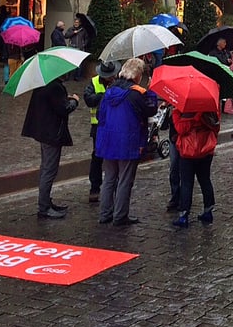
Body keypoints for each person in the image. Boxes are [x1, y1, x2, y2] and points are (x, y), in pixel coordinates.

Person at [96, 58, 157, 227]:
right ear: (137, 75)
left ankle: (105, 213)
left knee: (109, 178)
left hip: (108, 141)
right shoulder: (136, 94)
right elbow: (151, 109)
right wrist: (151, 90)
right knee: (124, 179)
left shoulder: (109, 91)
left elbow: (100, 116)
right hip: (128, 142)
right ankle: (120, 215)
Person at [21, 76, 80, 219]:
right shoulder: (54, 87)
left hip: (43, 132)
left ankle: (46, 202)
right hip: (51, 133)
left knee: (46, 168)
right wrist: (74, 101)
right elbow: (63, 108)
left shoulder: (43, 85)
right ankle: (44, 206)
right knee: (49, 170)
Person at [171, 108, 221, 227]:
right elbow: (216, 128)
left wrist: (191, 118)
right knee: (205, 180)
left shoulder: (180, 111)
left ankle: (184, 215)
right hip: (205, 148)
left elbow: (180, 129)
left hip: (188, 151)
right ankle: (208, 211)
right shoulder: (210, 110)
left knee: (187, 183)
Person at [83, 60, 120, 203]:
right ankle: (95, 187)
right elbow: (88, 99)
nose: (111, 77)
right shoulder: (94, 82)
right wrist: (104, 96)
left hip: (114, 125)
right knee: (97, 158)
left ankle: (114, 186)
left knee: (115, 157)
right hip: (98, 127)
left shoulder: (118, 82)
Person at [65, 16, 91, 80]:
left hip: (80, 49)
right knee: (71, 62)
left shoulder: (83, 30)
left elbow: (86, 38)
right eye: (75, 22)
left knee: (80, 63)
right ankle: (71, 77)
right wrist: (73, 33)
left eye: (77, 22)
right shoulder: (71, 29)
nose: (76, 23)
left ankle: (78, 77)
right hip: (72, 48)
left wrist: (83, 44)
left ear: (79, 23)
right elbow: (66, 36)